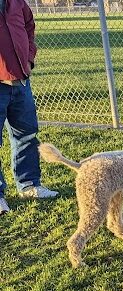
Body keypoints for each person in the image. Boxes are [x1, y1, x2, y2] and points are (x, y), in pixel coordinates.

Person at [0, 0, 58, 214]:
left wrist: (29, 59)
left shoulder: (17, 3)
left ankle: (29, 185)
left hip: (21, 81)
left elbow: (29, 28)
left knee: (26, 135)